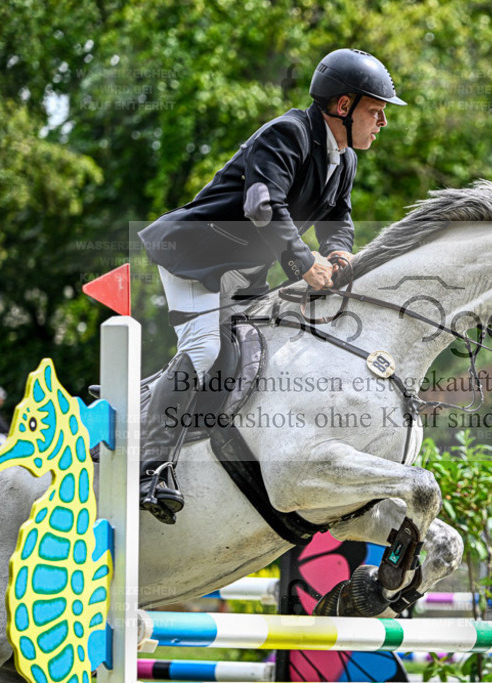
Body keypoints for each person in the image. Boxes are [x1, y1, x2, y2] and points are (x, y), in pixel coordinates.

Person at [136, 48, 406, 524]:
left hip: (245, 270)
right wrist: (304, 263)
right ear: (343, 106)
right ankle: (150, 469)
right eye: (375, 109)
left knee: (256, 354)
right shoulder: (287, 134)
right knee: (203, 349)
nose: (383, 120)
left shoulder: (343, 160)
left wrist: (340, 253)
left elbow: (338, 219)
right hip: (197, 257)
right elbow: (263, 206)